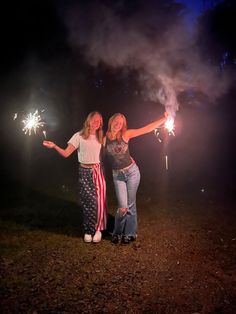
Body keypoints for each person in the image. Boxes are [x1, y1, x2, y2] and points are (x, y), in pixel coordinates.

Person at [43, 111, 107, 243]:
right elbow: (66, 153)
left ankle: (98, 229)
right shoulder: (79, 136)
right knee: (88, 201)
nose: (96, 122)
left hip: (97, 170)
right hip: (84, 171)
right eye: (94, 120)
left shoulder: (101, 137)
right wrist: (54, 146)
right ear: (88, 120)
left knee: (100, 201)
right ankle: (88, 230)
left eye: (99, 121)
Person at [104, 112, 168, 244]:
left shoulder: (125, 134)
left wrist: (164, 118)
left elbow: (147, 128)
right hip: (118, 176)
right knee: (122, 207)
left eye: (121, 123)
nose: (118, 124)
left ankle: (130, 234)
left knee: (130, 205)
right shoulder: (104, 138)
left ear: (123, 125)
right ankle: (117, 233)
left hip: (132, 172)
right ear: (111, 121)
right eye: (116, 121)